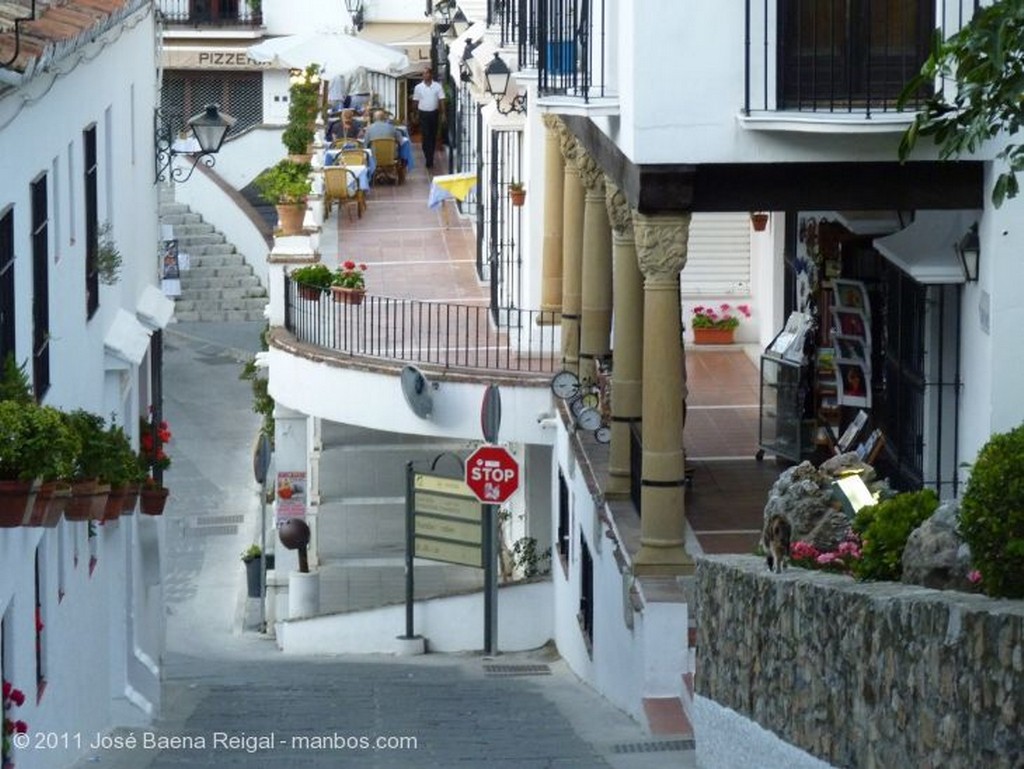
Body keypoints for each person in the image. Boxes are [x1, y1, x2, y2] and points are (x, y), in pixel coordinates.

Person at [412, 68, 445, 171]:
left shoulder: (437, 86)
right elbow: (415, 101)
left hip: (434, 114)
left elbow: (442, 100)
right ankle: (428, 158)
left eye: (426, 73)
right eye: (423, 73)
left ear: (431, 74)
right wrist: (414, 114)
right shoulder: (418, 87)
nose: (425, 75)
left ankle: (430, 156)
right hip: (423, 114)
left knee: (432, 135)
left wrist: (443, 113)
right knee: (425, 136)